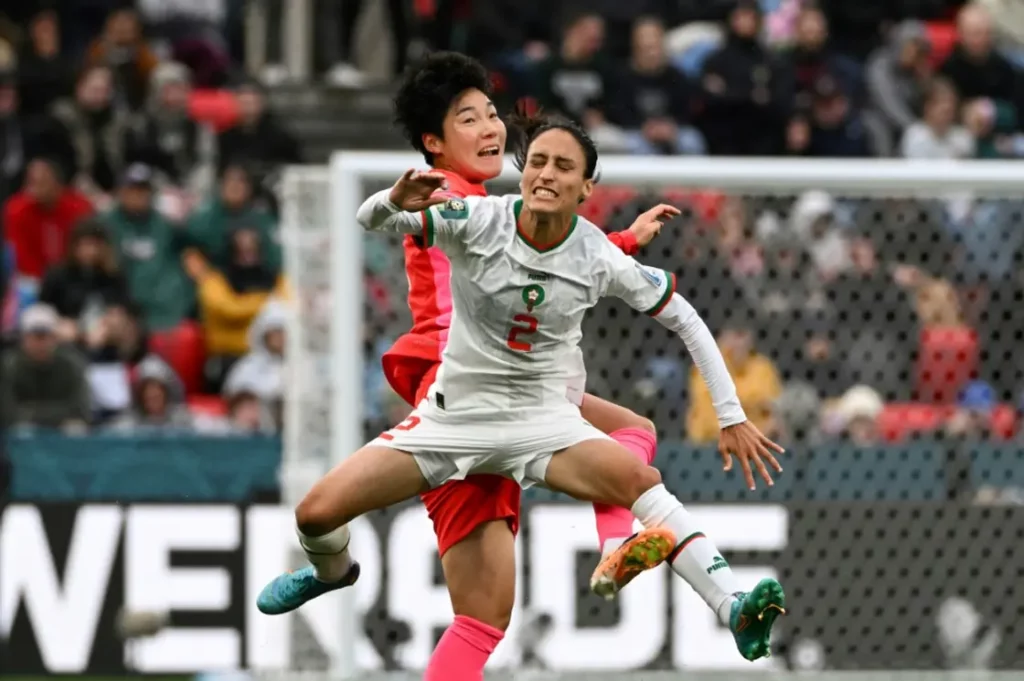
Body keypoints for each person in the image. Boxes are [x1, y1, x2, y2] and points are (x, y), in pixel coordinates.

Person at [258, 110, 787, 677]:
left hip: (541, 421)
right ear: (523, 171)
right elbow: (373, 221)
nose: (546, 174)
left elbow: (685, 317)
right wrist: (393, 199)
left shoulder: (600, 255)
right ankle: (333, 573)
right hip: (452, 419)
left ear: (586, 188)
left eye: (563, 166)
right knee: (314, 515)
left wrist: (730, 414)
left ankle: (732, 607)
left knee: (641, 479)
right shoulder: (477, 219)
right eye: (537, 161)